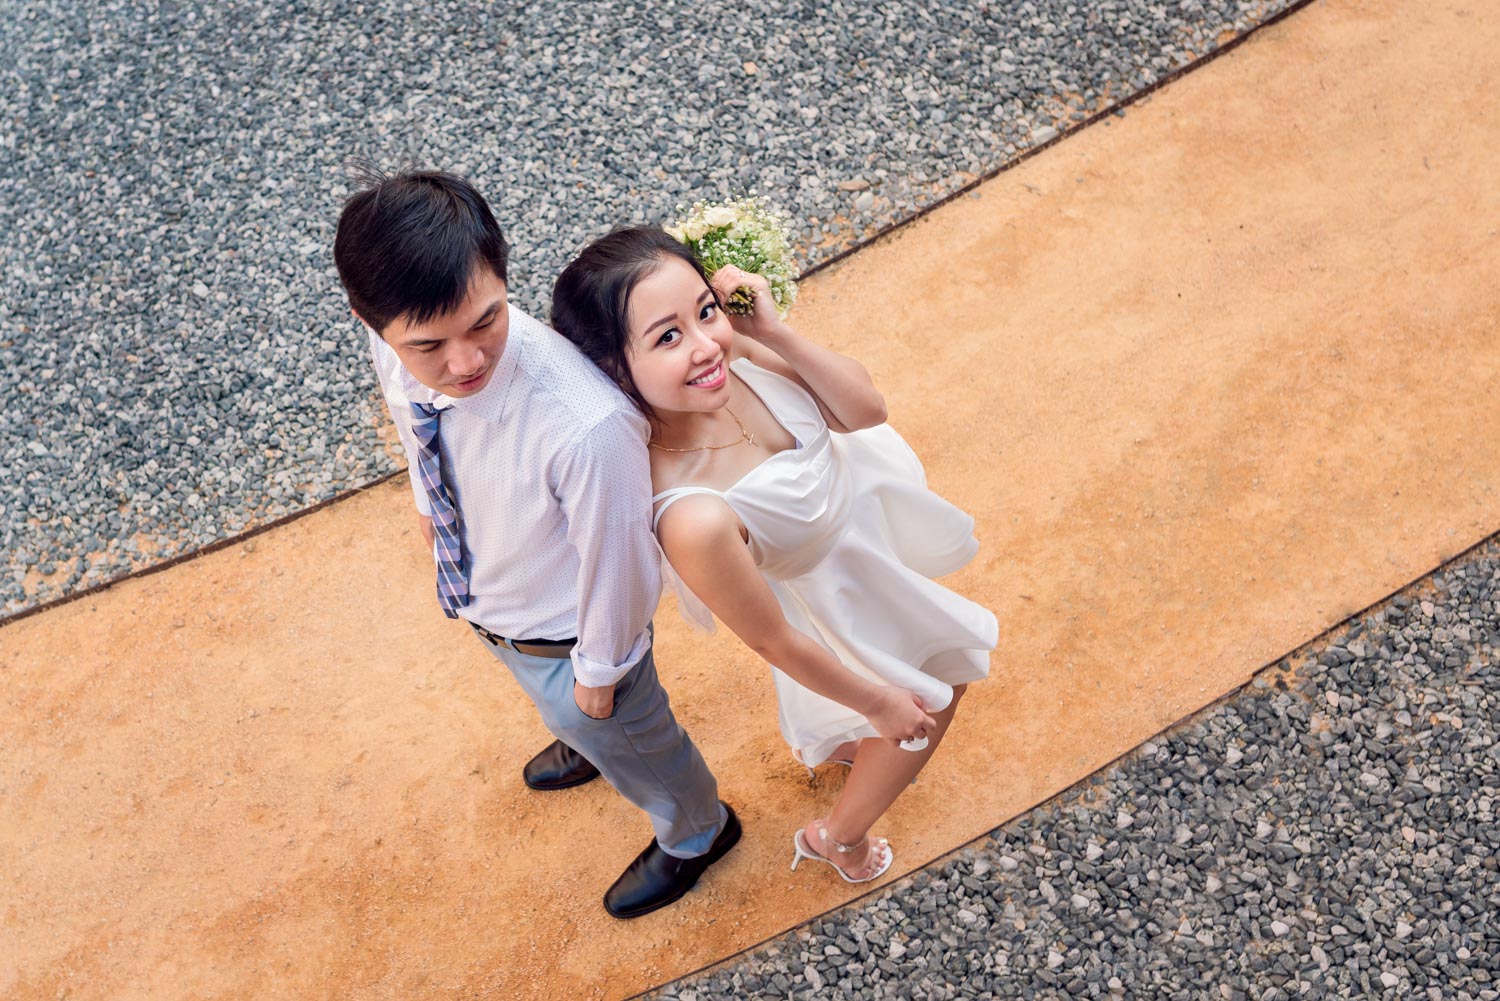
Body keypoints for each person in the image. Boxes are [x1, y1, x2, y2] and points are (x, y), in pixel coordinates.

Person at [332, 170, 738, 918]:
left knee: (629, 730)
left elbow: (620, 564)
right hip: (498, 606)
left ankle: (698, 829)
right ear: (368, 316)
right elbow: (404, 404)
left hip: (571, 635)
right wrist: (427, 500)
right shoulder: (394, 338)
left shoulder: (585, 424)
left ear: (502, 271)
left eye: (485, 322)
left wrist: (599, 672)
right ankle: (585, 738)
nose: (464, 363)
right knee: (570, 711)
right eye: (428, 345)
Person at [550, 227, 997, 883]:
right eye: (667, 337)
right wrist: (877, 703)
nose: (705, 346)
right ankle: (836, 836)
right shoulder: (690, 515)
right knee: (936, 692)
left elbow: (866, 410)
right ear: (615, 368)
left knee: (913, 695)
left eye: (704, 310)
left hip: (866, 535)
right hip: (834, 591)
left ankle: (855, 749)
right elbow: (777, 641)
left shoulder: (740, 358)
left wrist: (775, 331)